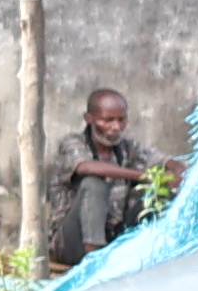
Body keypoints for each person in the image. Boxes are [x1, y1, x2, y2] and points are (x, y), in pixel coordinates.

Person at [65, 82, 154, 255]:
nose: (116, 127)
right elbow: (86, 167)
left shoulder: (127, 146)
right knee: (94, 185)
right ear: (89, 118)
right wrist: (141, 176)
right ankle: (94, 260)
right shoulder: (72, 143)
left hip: (113, 236)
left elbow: (166, 162)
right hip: (73, 242)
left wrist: (176, 175)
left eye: (122, 120)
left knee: (156, 191)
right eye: (108, 120)